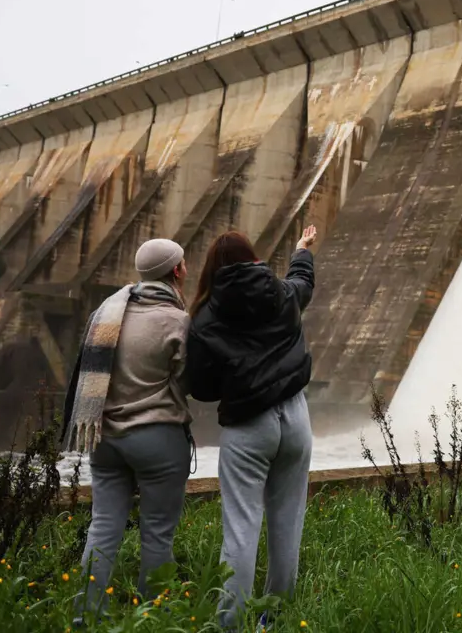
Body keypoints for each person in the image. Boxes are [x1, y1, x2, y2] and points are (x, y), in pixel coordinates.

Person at [186, 226, 317, 629]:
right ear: (251, 258)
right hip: (296, 417)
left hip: (249, 425)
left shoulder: (206, 317)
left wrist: (232, 383)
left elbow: (200, 386)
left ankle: (231, 624)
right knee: (287, 522)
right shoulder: (279, 292)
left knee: (241, 529)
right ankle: (274, 620)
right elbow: (303, 285)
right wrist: (302, 252)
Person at [61, 238, 193, 624]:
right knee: (157, 532)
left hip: (103, 437)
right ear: (176, 271)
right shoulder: (177, 321)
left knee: (103, 525)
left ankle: (86, 614)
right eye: (183, 263)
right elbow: (188, 380)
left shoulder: (107, 312)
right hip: (158, 438)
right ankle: (151, 616)